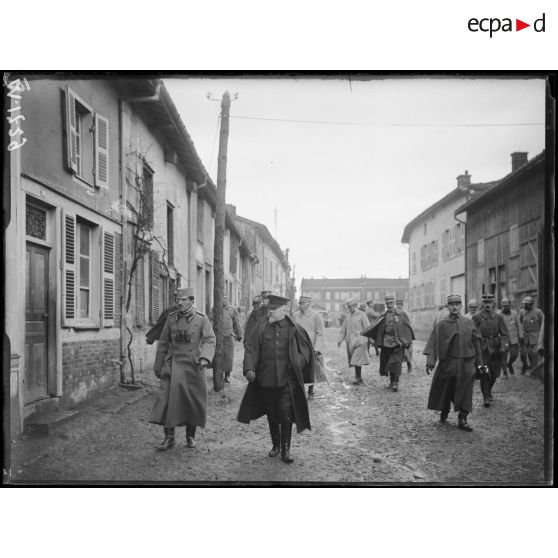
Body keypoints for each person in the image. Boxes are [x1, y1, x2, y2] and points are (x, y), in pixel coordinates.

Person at [238, 294, 315, 464]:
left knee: (286, 414)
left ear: (284, 310)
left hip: (287, 381)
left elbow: (306, 352)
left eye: (274, 309)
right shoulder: (260, 326)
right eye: (269, 309)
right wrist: (249, 368)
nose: (270, 312)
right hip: (265, 380)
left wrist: (297, 363)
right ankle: (276, 445)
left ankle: (286, 449)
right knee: (271, 414)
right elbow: (250, 348)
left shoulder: (294, 328)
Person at [149, 288, 216, 451]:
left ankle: (190, 436)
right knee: (166, 400)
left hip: (194, 365)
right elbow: (164, 343)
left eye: (184, 300)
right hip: (173, 364)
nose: (179, 303)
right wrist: (158, 365)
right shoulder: (171, 319)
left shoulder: (202, 319)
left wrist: (205, 357)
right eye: (178, 300)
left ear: (192, 302)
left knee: (191, 402)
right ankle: (169, 438)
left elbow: (210, 340)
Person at [424, 294, 484, 432]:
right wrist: (430, 362)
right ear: (448, 306)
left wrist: (481, 366)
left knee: (466, 390)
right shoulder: (442, 324)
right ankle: (444, 409)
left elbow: (477, 344)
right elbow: (432, 343)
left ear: (461, 306)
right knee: (446, 387)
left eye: (457, 304)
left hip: (467, 364)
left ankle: (463, 418)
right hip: (448, 364)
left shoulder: (469, 323)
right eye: (452, 304)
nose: (455, 307)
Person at [361, 294, 415, 392]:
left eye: (391, 303)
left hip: (398, 343)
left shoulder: (401, 314)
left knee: (396, 363)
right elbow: (377, 327)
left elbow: (407, 327)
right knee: (388, 363)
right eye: (387, 303)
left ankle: (395, 383)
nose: (389, 305)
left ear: (394, 303)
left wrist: (407, 340)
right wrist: (373, 338)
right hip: (386, 343)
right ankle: (391, 382)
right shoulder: (384, 315)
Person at [472, 293, 510, 407]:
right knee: (484, 373)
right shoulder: (477, 317)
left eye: (490, 302)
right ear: (482, 303)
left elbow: (505, 334)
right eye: (485, 302)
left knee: (494, 374)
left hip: (496, 349)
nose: (487, 304)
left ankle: (489, 391)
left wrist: (504, 346)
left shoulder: (499, 317)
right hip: (482, 349)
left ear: (493, 303)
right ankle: (486, 397)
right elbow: (472, 334)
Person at [293, 295, 326, 399]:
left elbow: (320, 333)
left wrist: (317, 348)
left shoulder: (316, 316)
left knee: (311, 369)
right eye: (299, 303)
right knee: (298, 367)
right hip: (297, 345)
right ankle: (300, 390)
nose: (300, 305)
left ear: (308, 305)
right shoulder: (295, 315)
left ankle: (311, 391)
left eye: (302, 304)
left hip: (310, 346)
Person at [210, 295, 243, 383]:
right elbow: (210, 321)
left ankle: (227, 375)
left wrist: (239, 334)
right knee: (217, 355)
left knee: (228, 357)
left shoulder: (232, 309)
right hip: (218, 336)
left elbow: (237, 322)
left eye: (225, 298)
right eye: (222, 298)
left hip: (229, 335)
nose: (224, 300)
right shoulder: (215, 308)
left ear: (228, 299)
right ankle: (217, 374)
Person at [337, 299, 370, 385]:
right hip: (350, 342)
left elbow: (367, 328)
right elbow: (343, 329)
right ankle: (358, 377)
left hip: (359, 340)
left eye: (350, 307)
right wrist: (340, 340)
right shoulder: (348, 316)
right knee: (354, 359)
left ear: (355, 305)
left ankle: (358, 377)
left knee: (356, 359)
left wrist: (365, 339)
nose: (349, 308)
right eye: (348, 307)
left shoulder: (362, 315)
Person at [519, 295, 544, 375]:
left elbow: (543, 324)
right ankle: (524, 365)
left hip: (535, 336)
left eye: (527, 304)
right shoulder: (522, 312)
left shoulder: (538, 312)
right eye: (524, 304)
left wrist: (542, 335)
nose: (525, 305)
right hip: (525, 335)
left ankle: (534, 370)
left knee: (534, 354)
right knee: (523, 354)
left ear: (531, 304)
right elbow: (520, 323)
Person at [499, 297, 523, 377]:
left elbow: (519, 326)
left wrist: (521, 335)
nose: (506, 307)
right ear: (502, 305)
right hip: (503, 339)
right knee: (503, 356)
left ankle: (510, 364)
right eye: (504, 305)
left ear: (510, 305)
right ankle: (505, 373)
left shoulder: (514, 314)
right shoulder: (499, 315)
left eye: (507, 305)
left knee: (514, 355)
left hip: (514, 338)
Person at [396, 299, 413, 372]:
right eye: (397, 304)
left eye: (400, 304)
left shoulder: (405, 313)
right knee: (398, 353)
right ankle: (398, 368)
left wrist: (408, 338)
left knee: (407, 352)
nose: (399, 306)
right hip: (398, 335)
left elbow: (409, 326)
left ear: (402, 305)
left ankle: (409, 365)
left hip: (406, 335)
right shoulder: (395, 313)